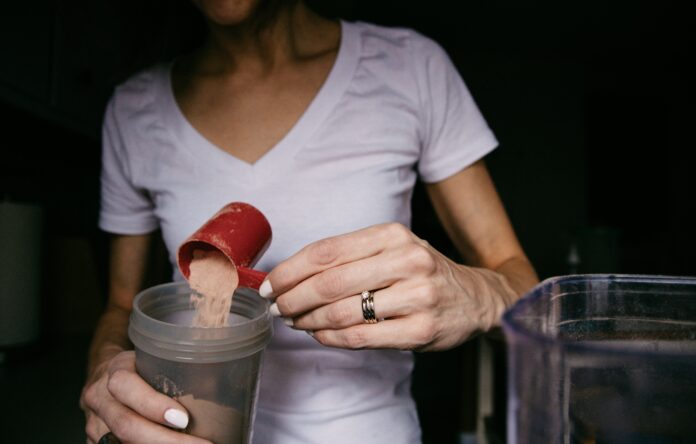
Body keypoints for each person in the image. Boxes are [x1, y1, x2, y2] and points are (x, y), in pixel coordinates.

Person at [80, 0, 539, 443]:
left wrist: (479, 296)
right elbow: (122, 305)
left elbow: (518, 279)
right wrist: (105, 370)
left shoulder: (410, 67)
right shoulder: (134, 111)